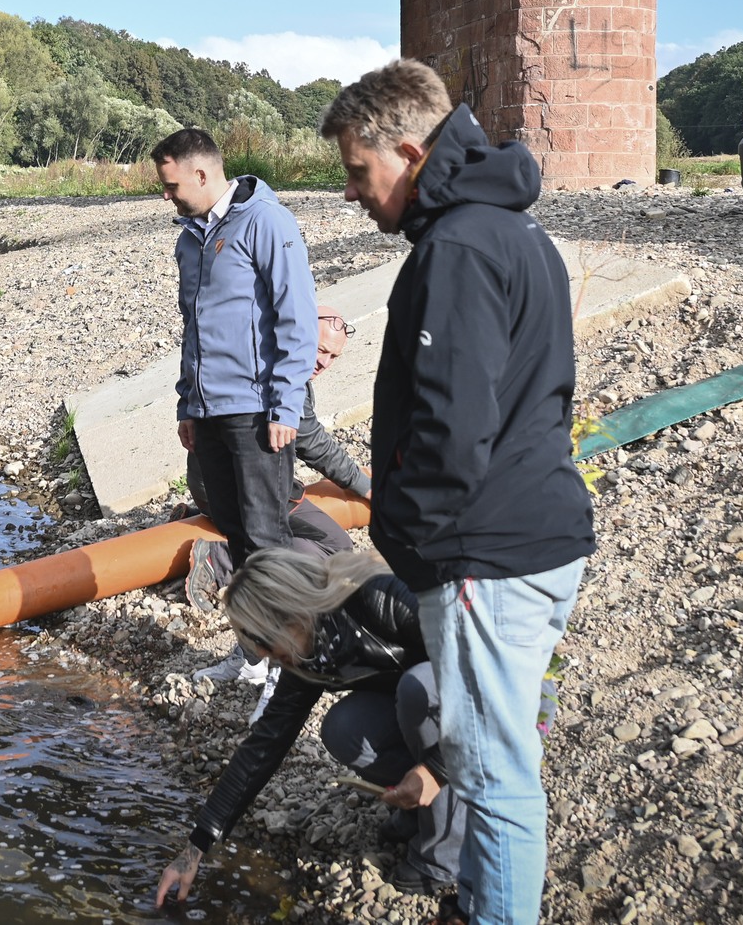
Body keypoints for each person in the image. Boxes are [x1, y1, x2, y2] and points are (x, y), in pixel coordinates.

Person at [318, 60, 594, 925]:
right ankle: (477, 900)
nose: (352, 192)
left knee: (494, 776)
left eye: (357, 170)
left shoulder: (458, 249)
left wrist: (406, 535)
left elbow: (450, 429)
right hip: (536, 537)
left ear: (407, 151)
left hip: (487, 553)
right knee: (494, 760)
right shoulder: (512, 231)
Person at [153, 549, 466, 909]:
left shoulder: (379, 596)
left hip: (486, 707)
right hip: (429, 714)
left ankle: (443, 854)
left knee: (417, 689)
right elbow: (264, 743)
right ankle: (427, 806)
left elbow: (479, 675)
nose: (265, 656)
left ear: (291, 614)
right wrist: (196, 847)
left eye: (264, 642)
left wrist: (436, 770)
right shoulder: (309, 651)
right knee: (343, 728)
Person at [153, 126, 320, 692]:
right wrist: (187, 403)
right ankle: (254, 654)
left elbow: (297, 318)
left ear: (202, 173)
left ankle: (290, 668)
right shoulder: (188, 239)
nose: (166, 196)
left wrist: (286, 407)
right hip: (208, 412)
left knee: (267, 540)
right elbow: (192, 328)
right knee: (238, 536)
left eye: (172, 185)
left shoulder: (267, 222)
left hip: (257, 413)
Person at [184, 307, 369, 610]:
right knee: (336, 548)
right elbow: (314, 444)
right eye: (321, 349)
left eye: (333, 356)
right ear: (300, 334)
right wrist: (366, 486)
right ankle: (220, 560)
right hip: (246, 488)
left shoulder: (253, 351)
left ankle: (199, 518)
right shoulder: (284, 378)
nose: (324, 362)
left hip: (212, 483)